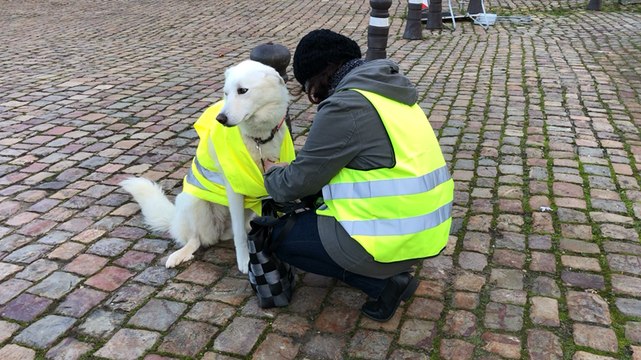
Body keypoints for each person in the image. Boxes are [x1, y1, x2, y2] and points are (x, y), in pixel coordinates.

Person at [263, 29, 454, 322]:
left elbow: (294, 184)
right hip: (426, 232)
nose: (313, 95)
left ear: (323, 72)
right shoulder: (387, 91)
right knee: (315, 201)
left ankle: (383, 283)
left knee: (279, 236)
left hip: (392, 237)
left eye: (310, 86)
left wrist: (272, 174)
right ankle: (384, 267)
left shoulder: (346, 106)